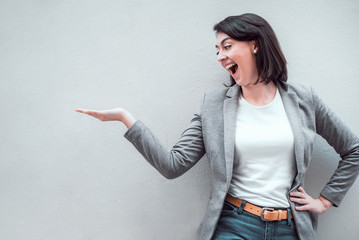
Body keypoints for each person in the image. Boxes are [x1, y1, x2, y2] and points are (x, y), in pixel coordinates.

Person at [75, 13, 359, 240]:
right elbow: (172, 165)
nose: (220, 57)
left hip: (290, 227)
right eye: (217, 50)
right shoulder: (213, 107)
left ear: (255, 44)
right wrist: (126, 118)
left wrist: (325, 200)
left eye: (227, 46)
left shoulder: (303, 99)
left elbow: (354, 149)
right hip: (235, 225)